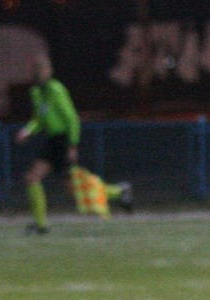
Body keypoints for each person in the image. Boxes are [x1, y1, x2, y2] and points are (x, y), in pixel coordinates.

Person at [15, 54, 132, 234]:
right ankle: (41, 225)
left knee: (74, 186)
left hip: (62, 140)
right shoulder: (36, 92)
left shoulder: (56, 89)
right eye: (37, 70)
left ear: (50, 71)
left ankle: (118, 191)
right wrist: (27, 130)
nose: (40, 73)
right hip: (51, 141)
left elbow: (72, 118)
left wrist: (72, 144)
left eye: (44, 69)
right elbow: (39, 119)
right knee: (33, 178)